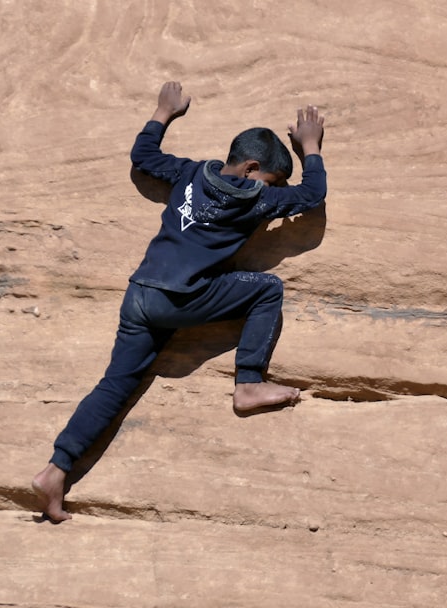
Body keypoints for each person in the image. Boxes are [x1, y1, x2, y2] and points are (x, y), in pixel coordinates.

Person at [32, 81, 327, 522]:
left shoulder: (190, 173)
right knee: (267, 288)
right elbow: (312, 194)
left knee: (114, 387)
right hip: (184, 298)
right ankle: (248, 382)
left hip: (141, 294)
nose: (273, 189)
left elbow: (144, 158)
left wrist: (163, 111)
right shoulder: (257, 198)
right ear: (251, 170)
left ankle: (56, 469)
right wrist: (310, 148)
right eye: (271, 179)